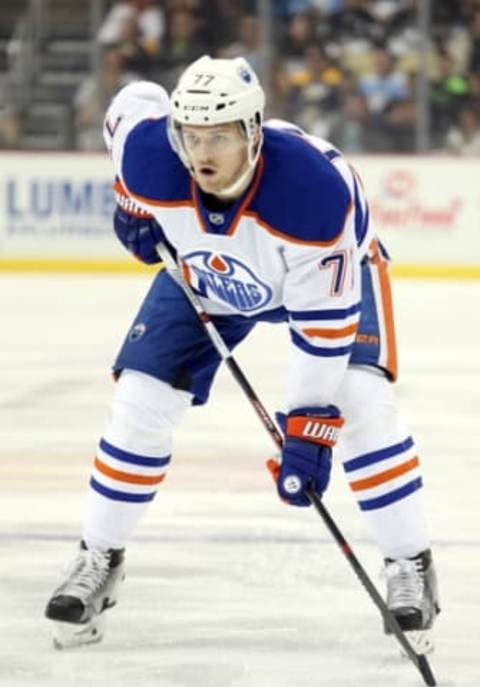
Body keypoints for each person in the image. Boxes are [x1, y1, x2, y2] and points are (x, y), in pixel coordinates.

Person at [45, 56, 440, 651]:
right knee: (139, 398)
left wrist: (307, 428)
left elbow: (322, 330)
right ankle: (98, 555)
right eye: (191, 135)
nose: (201, 153)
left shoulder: (311, 197)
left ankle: (411, 565)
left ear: (253, 131)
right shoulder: (154, 155)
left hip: (328, 275)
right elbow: (132, 102)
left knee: (359, 400)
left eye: (219, 137)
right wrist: (130, 204)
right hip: (206, 277)